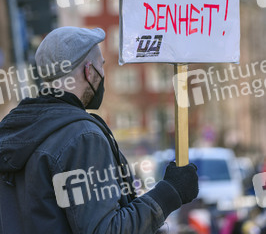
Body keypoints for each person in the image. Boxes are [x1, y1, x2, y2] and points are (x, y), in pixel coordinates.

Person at [0, 26, 198, 234]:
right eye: (101, 66)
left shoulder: (18, 129)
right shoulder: (82, 138)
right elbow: (106, 230)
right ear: (89, 70)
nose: (103, 74)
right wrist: (169, 192)